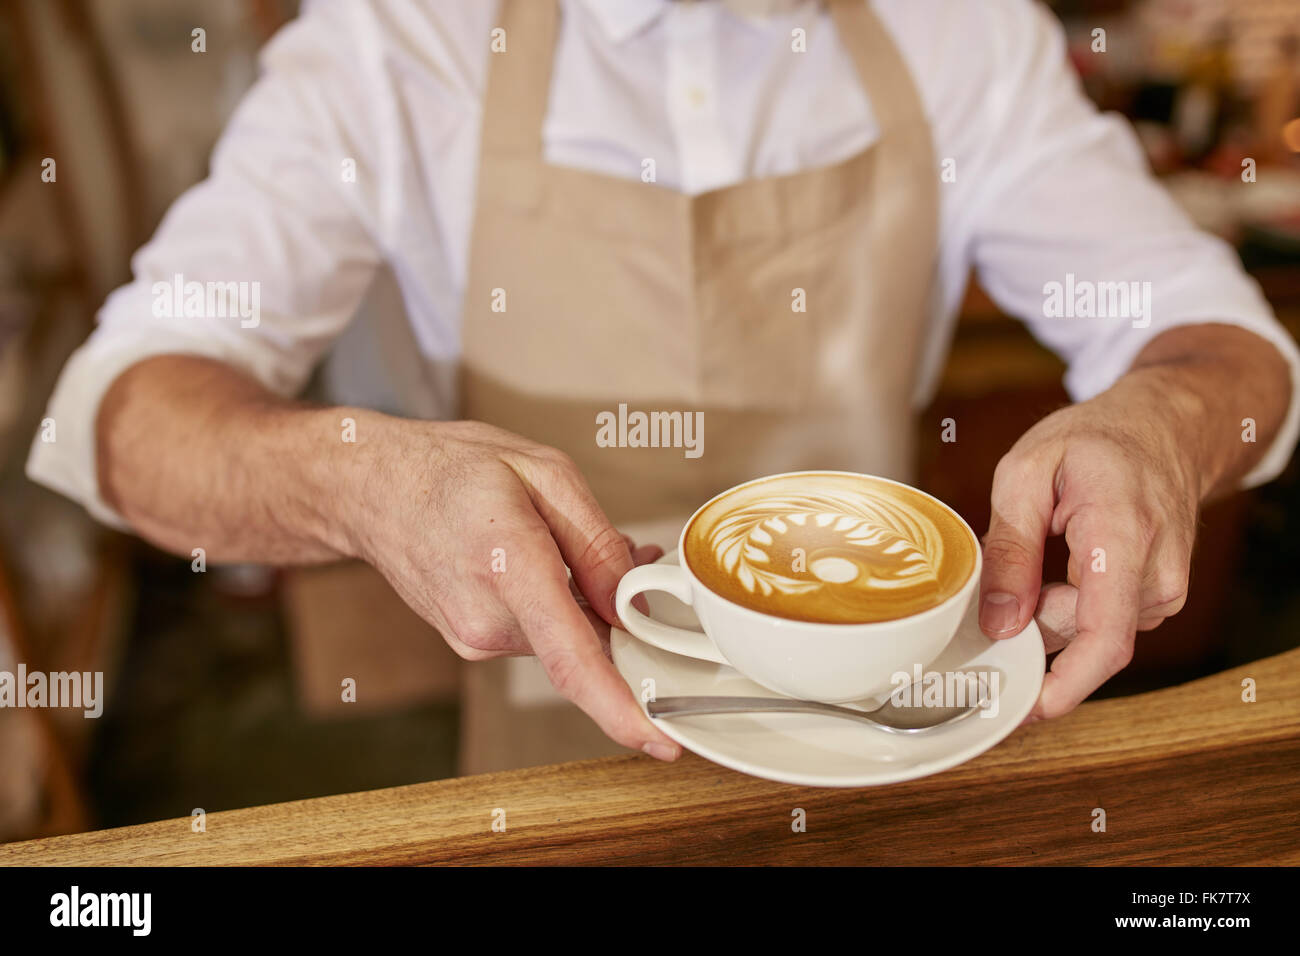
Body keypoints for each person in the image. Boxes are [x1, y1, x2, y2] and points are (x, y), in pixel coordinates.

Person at [28, 0, 1299, 763]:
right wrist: (363, 480)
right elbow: (125, 410)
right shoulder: (396, 41)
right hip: (552, 729)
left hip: (893, 711)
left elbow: (1216, 340)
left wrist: (1166, 418)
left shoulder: (954, 30)